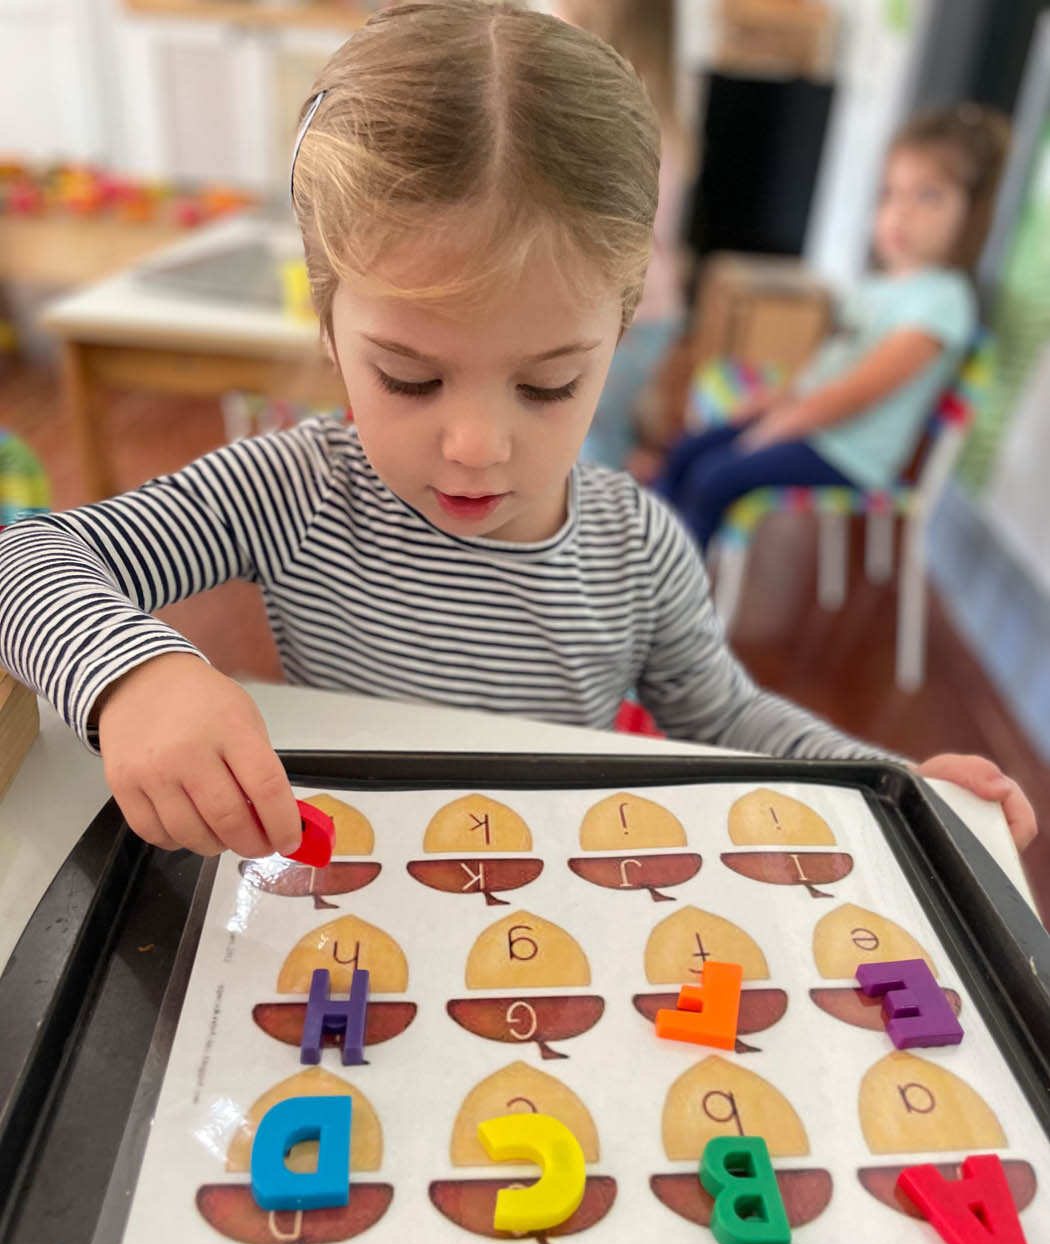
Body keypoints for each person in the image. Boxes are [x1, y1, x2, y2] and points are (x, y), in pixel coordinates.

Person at [0, 2, 1034, 859]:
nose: (476, 446)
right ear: (329, 322)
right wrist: (132, 672)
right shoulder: (295, 488)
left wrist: (890, 784)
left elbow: (730, 718)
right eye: (410, 377)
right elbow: (20, 551)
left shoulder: (637, 547)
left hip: (555, 889)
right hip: (345, 882)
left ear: (618, 334)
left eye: (547, 385)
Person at [655, 104, 1010, 549]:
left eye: (928, 196)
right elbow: (831, 367)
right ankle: (633, 558)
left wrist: (780, 425)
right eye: (890, 194)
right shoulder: (879, 286)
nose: (901, 213)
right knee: (688, 449)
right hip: (814, 424)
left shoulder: (943, 301)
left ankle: (667, 597)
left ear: (973, 212)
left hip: (847, 454)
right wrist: (776, 401)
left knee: (715, 478)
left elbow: (857, 393)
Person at [554, 0, 691, 475]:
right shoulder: (653, 113)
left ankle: (589, 543)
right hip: (631, 310)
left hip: (628, 312)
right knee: (589, 440)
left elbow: (610, 239)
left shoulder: (626, 118)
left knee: (583, 446)